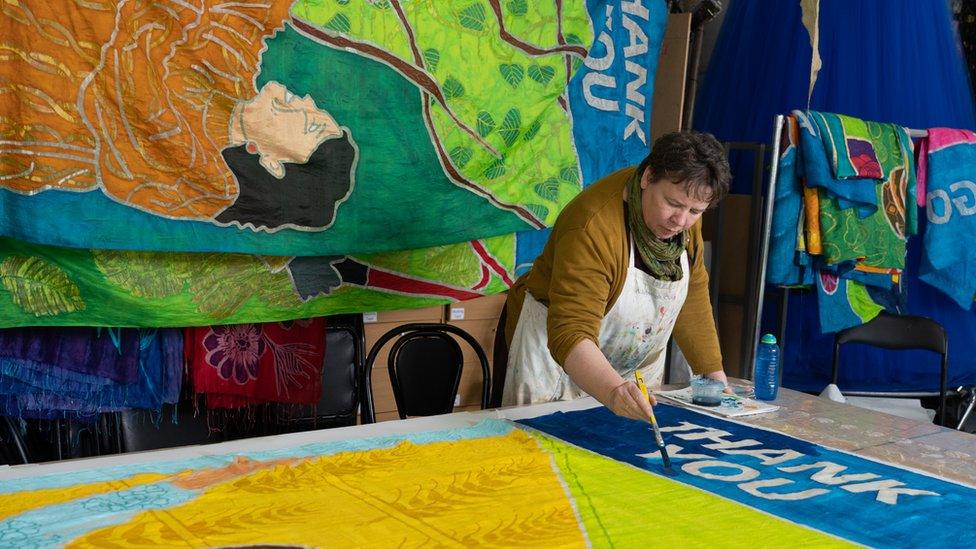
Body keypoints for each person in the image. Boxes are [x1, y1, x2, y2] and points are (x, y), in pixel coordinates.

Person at [502, 131, 731, 421]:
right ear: (647, 178)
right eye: (672, 204)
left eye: (696, 211)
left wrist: (715, 380)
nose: (681, 220)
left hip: (631, 367)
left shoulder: (684, 219)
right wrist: (613, 392)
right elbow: (571, 331)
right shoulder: (591, 226)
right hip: (559, 362)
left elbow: (692, 295)